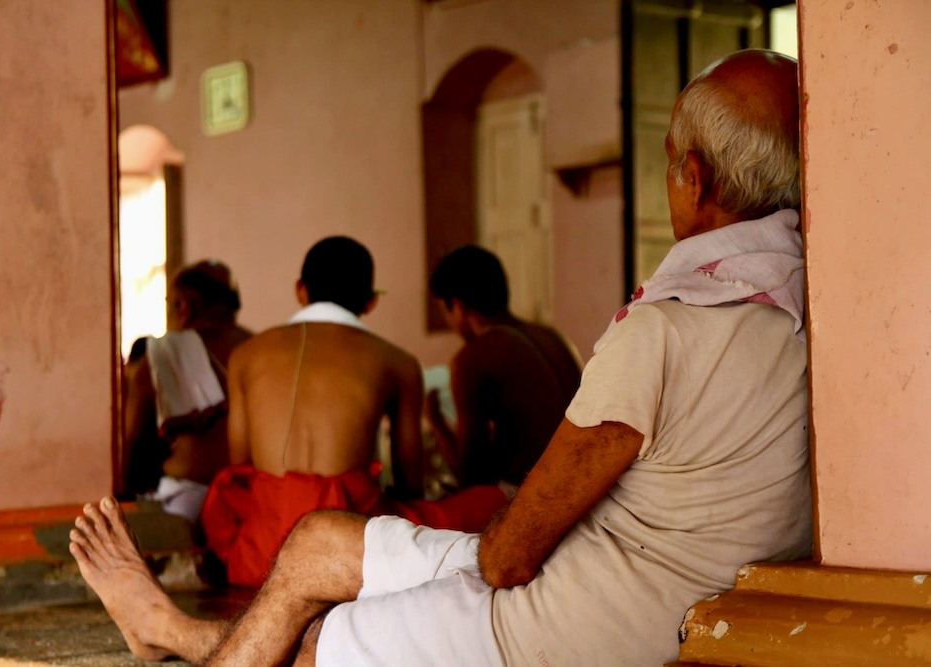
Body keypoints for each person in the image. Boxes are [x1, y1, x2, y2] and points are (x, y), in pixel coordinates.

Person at [70, 49, 811, 666]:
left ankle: (167, 627)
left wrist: (446, 555)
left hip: (577, 608)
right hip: (621, 567)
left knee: (313, 632)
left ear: (696, 180)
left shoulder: (667, 331)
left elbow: (506, 559)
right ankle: (164, 628)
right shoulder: (810, 316)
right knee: (319, 540)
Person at [198, 236, 508, 587]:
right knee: (490, 501)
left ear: (301, 290)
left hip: (262, 555)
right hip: (350, 552)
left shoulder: (245, 355)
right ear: (371, 301)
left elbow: (240, 469)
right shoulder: (397, 361)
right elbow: (410, 484)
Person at [425, 245, 581, 488]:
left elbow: (470, 473)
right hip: (591, 484)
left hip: (540, 496)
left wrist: (434, 419)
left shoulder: (472, 357)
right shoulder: (553, 337)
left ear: (457, 306)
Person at [121, 260, 253, 523]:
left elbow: (135, 443)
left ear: (186, 306)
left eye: (170, 304)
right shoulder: (262, 350)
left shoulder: (165, 353)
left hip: (185, 503)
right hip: (250, 500)